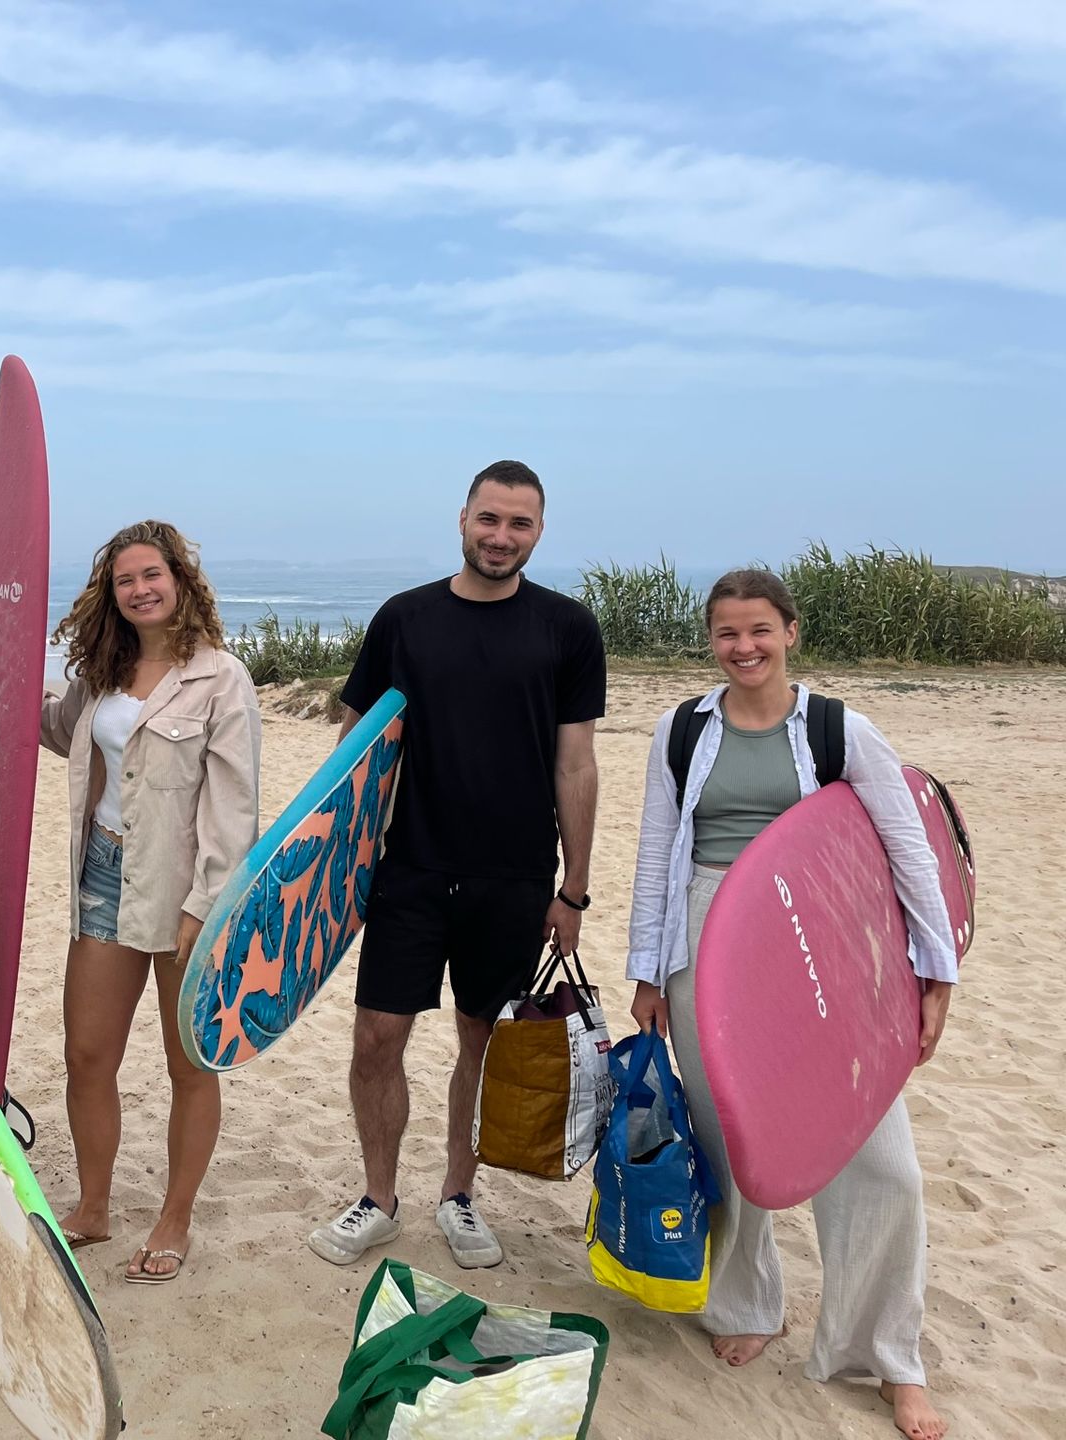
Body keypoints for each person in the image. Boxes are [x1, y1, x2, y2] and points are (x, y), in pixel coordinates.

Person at [626, 569, 954, 1440]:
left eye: (760, 631)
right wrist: (648, 971)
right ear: (712, 639)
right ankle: (745, 1307)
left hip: (820, 938)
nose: (745, 648)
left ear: (791, 632)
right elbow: (659, 848)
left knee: (881, 1159)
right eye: (729, 634)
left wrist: (934, 972)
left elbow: (908, 848)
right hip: (705, 936)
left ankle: (888, 1357)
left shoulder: (839, 728)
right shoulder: (683, 729)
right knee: (729, 1138)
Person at [308, 460, 605, 1272]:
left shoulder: (568, 629)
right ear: (463, 519)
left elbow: (575, 765)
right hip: (408, 867)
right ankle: (378, 1197)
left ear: (539, 532)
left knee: (481, 1039)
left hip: (512, 877)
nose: (502, 536)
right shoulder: (405, 619)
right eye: (490, 519)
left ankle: (459, 1194)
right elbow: (355, 751)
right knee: (377, 1039)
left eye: (520, 524)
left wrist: (572, 889)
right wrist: (336, 868)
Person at [39, 520, 261, 1284]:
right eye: (125, 580)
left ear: (180, 581)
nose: (139, 589)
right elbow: (66, 734)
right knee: (87, 1055)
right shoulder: (103, 672)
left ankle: (174, 1218)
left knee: (189, 1065)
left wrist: (205, 907)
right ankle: (94, 1206)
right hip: (103, 875)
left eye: (151, 575)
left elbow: (234, 811)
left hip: (182, 892)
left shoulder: (221, 678)